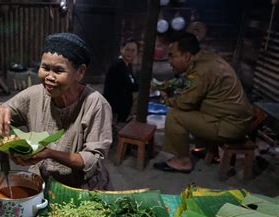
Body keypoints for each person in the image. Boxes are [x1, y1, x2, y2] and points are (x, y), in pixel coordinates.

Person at [0, 33, 113, 190]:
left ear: (80, 72)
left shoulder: (96, 104)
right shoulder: (35, 94)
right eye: (45, 68)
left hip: (82, 187)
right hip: (43, 181)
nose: (49, 77)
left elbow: (94, 160)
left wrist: (49, 153)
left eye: (58, 71)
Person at [153, 32, 253, 173]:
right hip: (234, 120)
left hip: (230, 125)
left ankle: (183, 161)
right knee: (195, 110)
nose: (169, 61)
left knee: (175, 116)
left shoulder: (201, 70)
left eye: (172, 55)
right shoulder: (207, 58)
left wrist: (166, 99)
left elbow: (184, 103)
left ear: (187, 56)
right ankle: (206, 150)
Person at [103, 38, 139, 123]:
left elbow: (133, 83)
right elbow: (130, 86)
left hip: (123, 110)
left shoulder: (128, 65)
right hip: (115, 110)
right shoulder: (118, 66)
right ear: (121, 49)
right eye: (127, 50)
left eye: (133, 50)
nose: (130, 53)